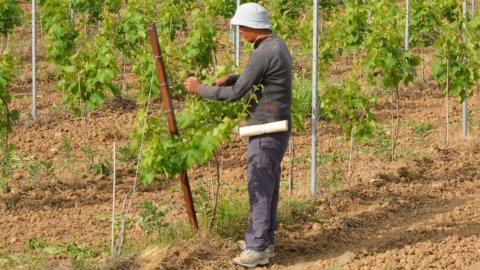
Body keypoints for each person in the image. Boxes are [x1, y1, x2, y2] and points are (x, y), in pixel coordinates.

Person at [183, 3, 292, 268]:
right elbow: (256, 77)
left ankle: (256, 249)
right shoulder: (277, 45)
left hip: (265, 130)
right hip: (277, 128)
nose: (240, 33)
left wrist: (201, 89)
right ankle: (264, 240)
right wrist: (232, 77)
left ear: (253, 27)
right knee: (269, 186)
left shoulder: (264, 52)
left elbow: (236, 95)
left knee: (259, 187)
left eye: (241, 28)